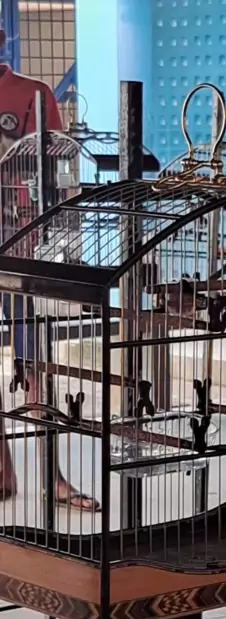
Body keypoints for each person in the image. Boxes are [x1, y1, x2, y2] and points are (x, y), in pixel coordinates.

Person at [0, 28, 99, 510]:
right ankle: (2, 468)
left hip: (18, 245)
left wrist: (60, 236)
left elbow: (61, 173)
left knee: (35, 362)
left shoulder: (33, 95)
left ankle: (53, 476)